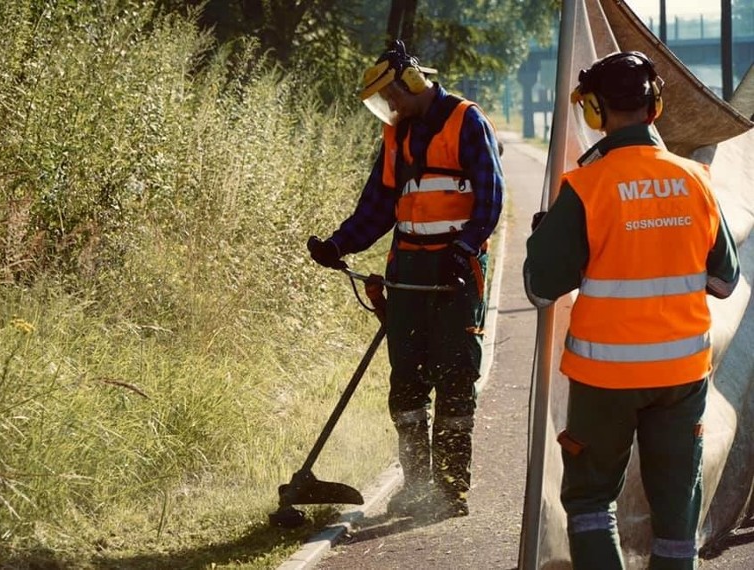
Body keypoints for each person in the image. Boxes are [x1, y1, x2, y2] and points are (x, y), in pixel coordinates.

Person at [524, 51, 740, 569]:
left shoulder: (585, 186)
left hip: (604, 379)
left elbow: (540, 288)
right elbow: (725, 282)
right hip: (680, 376)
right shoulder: (696, 180)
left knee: (592, 502)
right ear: (656, 107)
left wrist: (543, 237)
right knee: (675, 514)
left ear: (595, 112)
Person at [307, 39, 504, 519]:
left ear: (412, 82)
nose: (389, 108)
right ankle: (417, 488)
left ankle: (451, 489)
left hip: (457, 271)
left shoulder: (466, 121)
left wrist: (465, 248)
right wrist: (339, 244)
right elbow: (377, 205)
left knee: (456, 380)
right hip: (409, 273)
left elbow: (491, 196)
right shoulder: (396, 137)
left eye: (392, 97)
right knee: (407, 384)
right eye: (383, 103)